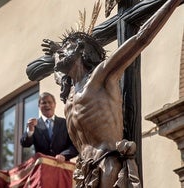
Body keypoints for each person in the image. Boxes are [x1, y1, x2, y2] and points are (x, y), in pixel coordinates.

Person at [34, 0, 183, 187]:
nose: (61, 52)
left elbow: (141, 38)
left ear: (81, 50)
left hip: (108, 164)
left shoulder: (100, 77)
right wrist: (59, 51)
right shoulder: (69, 92)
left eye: (67, 46)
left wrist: (171, 2)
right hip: (83, 172)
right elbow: (58, 70)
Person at [20, 92, 78, 162]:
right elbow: (25, 143)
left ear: (54, 105)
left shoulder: (65, 123)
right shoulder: (34, 125)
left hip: (63, 167)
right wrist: (30, 130)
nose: (47, 105)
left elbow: (75, 145)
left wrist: (63, 155)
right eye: (44, 103)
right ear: (39, 106)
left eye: (50, 102)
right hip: (43, 168)